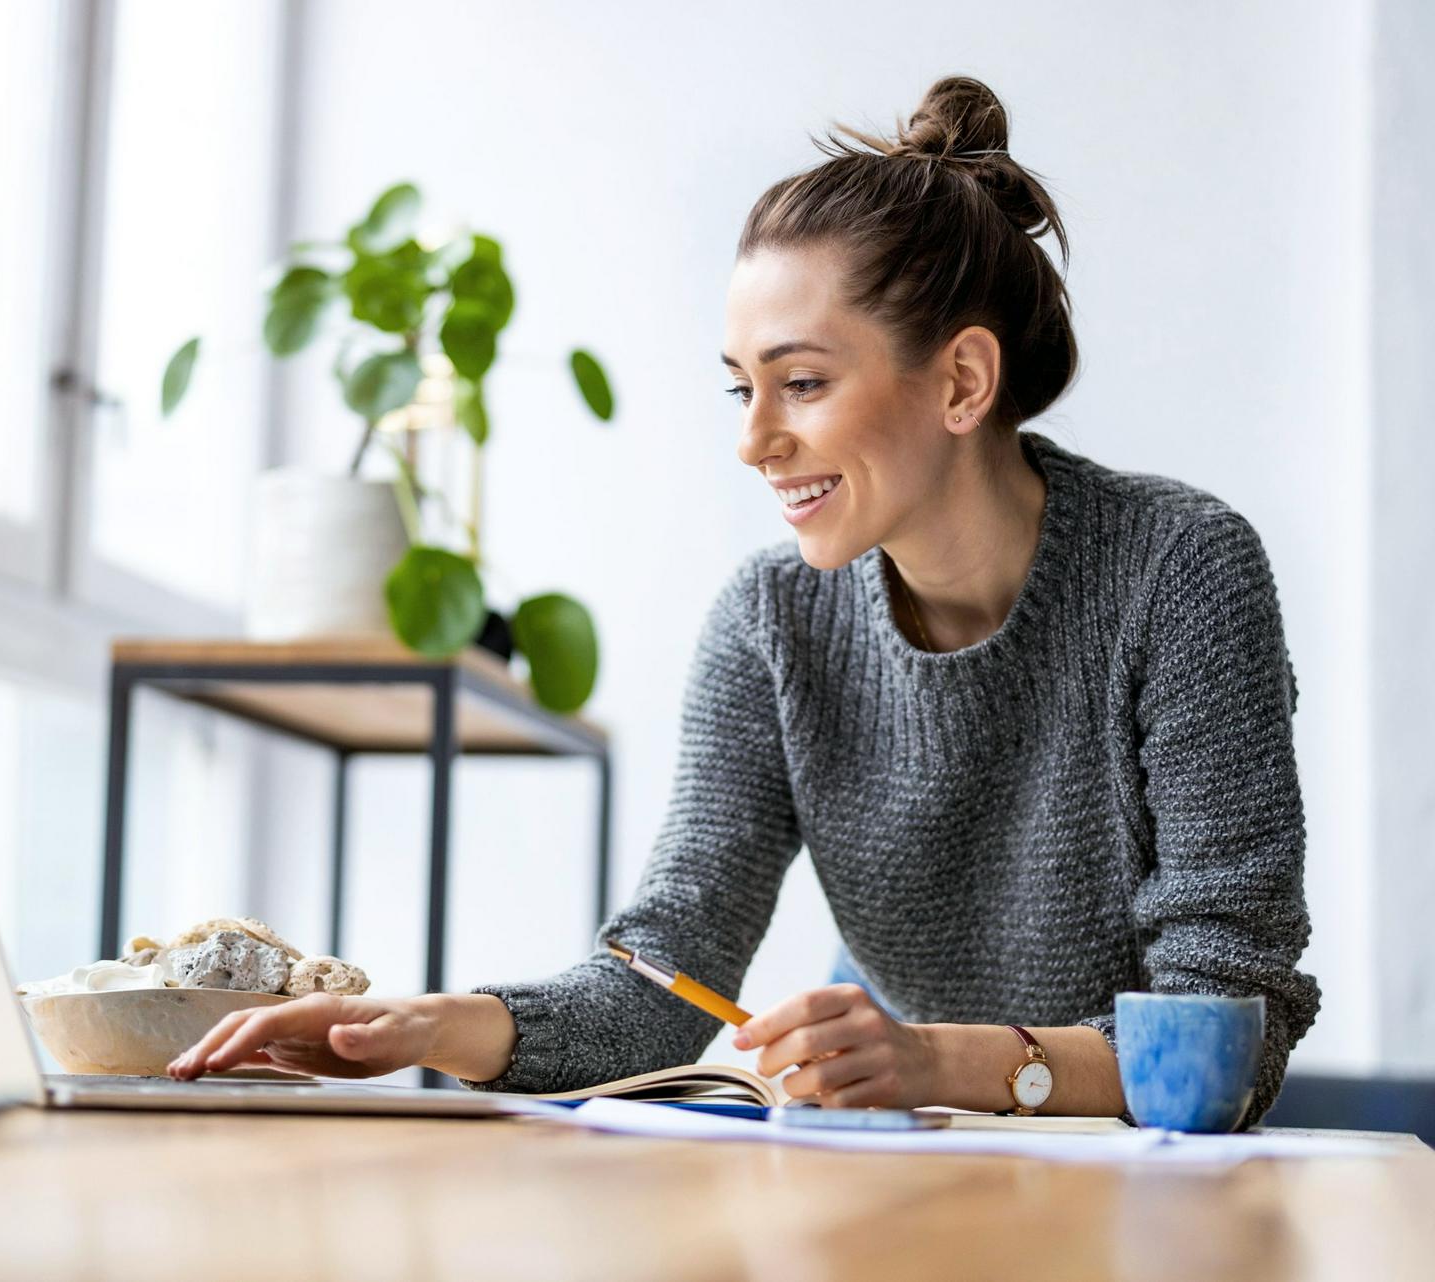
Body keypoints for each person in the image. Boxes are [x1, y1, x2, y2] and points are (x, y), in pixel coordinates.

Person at [168, 75, 1320, 1127]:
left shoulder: (1180, 570)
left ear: (963, 381)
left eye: (801, 382)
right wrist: (428, 1027)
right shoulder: (771, 624)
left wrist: (932, 1059)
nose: (755, 440)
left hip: (1155, 1196)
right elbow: (664, 980)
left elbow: (1224, 1036)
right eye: (741, 390)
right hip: (914, 1165)